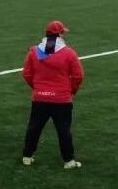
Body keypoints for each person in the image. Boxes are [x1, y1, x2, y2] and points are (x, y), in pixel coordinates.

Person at [22, 21, 84, 169]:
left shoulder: (35, 51)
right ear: (60, 34)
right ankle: (69, 161)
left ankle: (27, 156)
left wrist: (37, 87)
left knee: (34, 128)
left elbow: (27, 73)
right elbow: (78, 76)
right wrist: (70, 90)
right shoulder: (69, 53)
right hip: (61, 99)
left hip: (40, 98)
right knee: (63, 131)